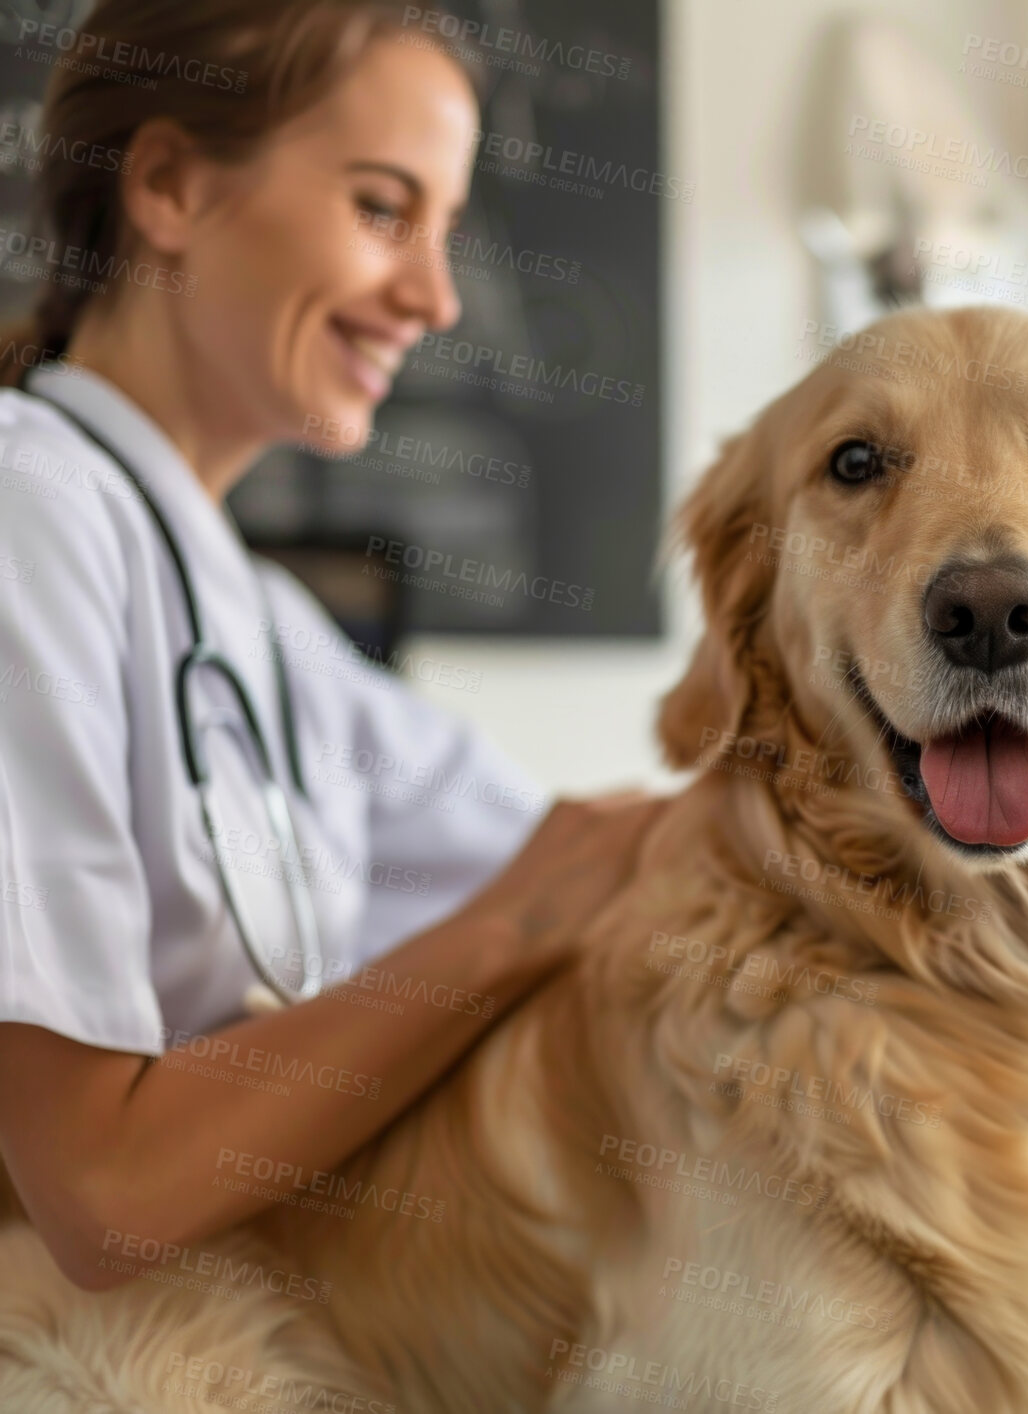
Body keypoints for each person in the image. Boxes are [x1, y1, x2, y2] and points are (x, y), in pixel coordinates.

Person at [0, 0, 660, 1291]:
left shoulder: (280, 635)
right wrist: (509, 924)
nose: (435, 295)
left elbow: (606, 876)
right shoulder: (30, 508)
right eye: (379, 209)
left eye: (445, 229)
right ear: (171, 186)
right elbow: (101, 1192)